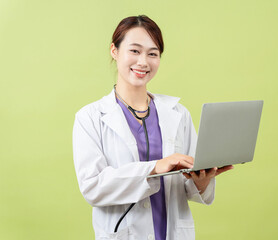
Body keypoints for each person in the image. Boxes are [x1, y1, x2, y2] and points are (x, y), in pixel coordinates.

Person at [73, 15, 233, 240]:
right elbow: (93, 187)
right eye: (135, 51)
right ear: (114, 51)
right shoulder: (90, 117)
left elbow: (190, 190)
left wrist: (203, 179)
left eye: (153, 53)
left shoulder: (178, 114)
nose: (143, 62)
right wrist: (155, 167)